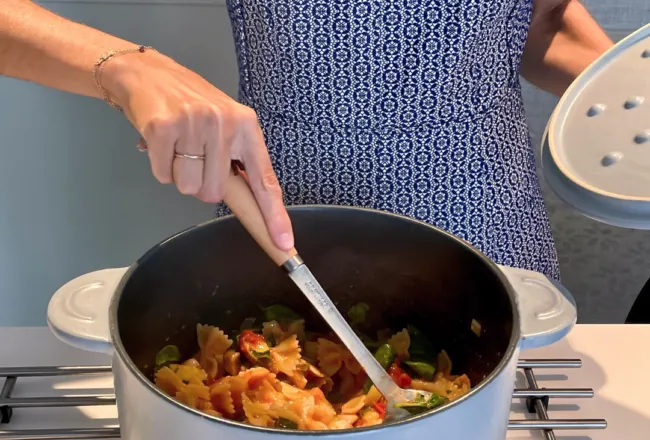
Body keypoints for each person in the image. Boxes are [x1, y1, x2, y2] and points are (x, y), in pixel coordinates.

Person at [0, 0, 613, 280]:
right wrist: (127, 68)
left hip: (490, 228)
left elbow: (538, 21)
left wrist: (624, 95)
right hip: (286, 230)